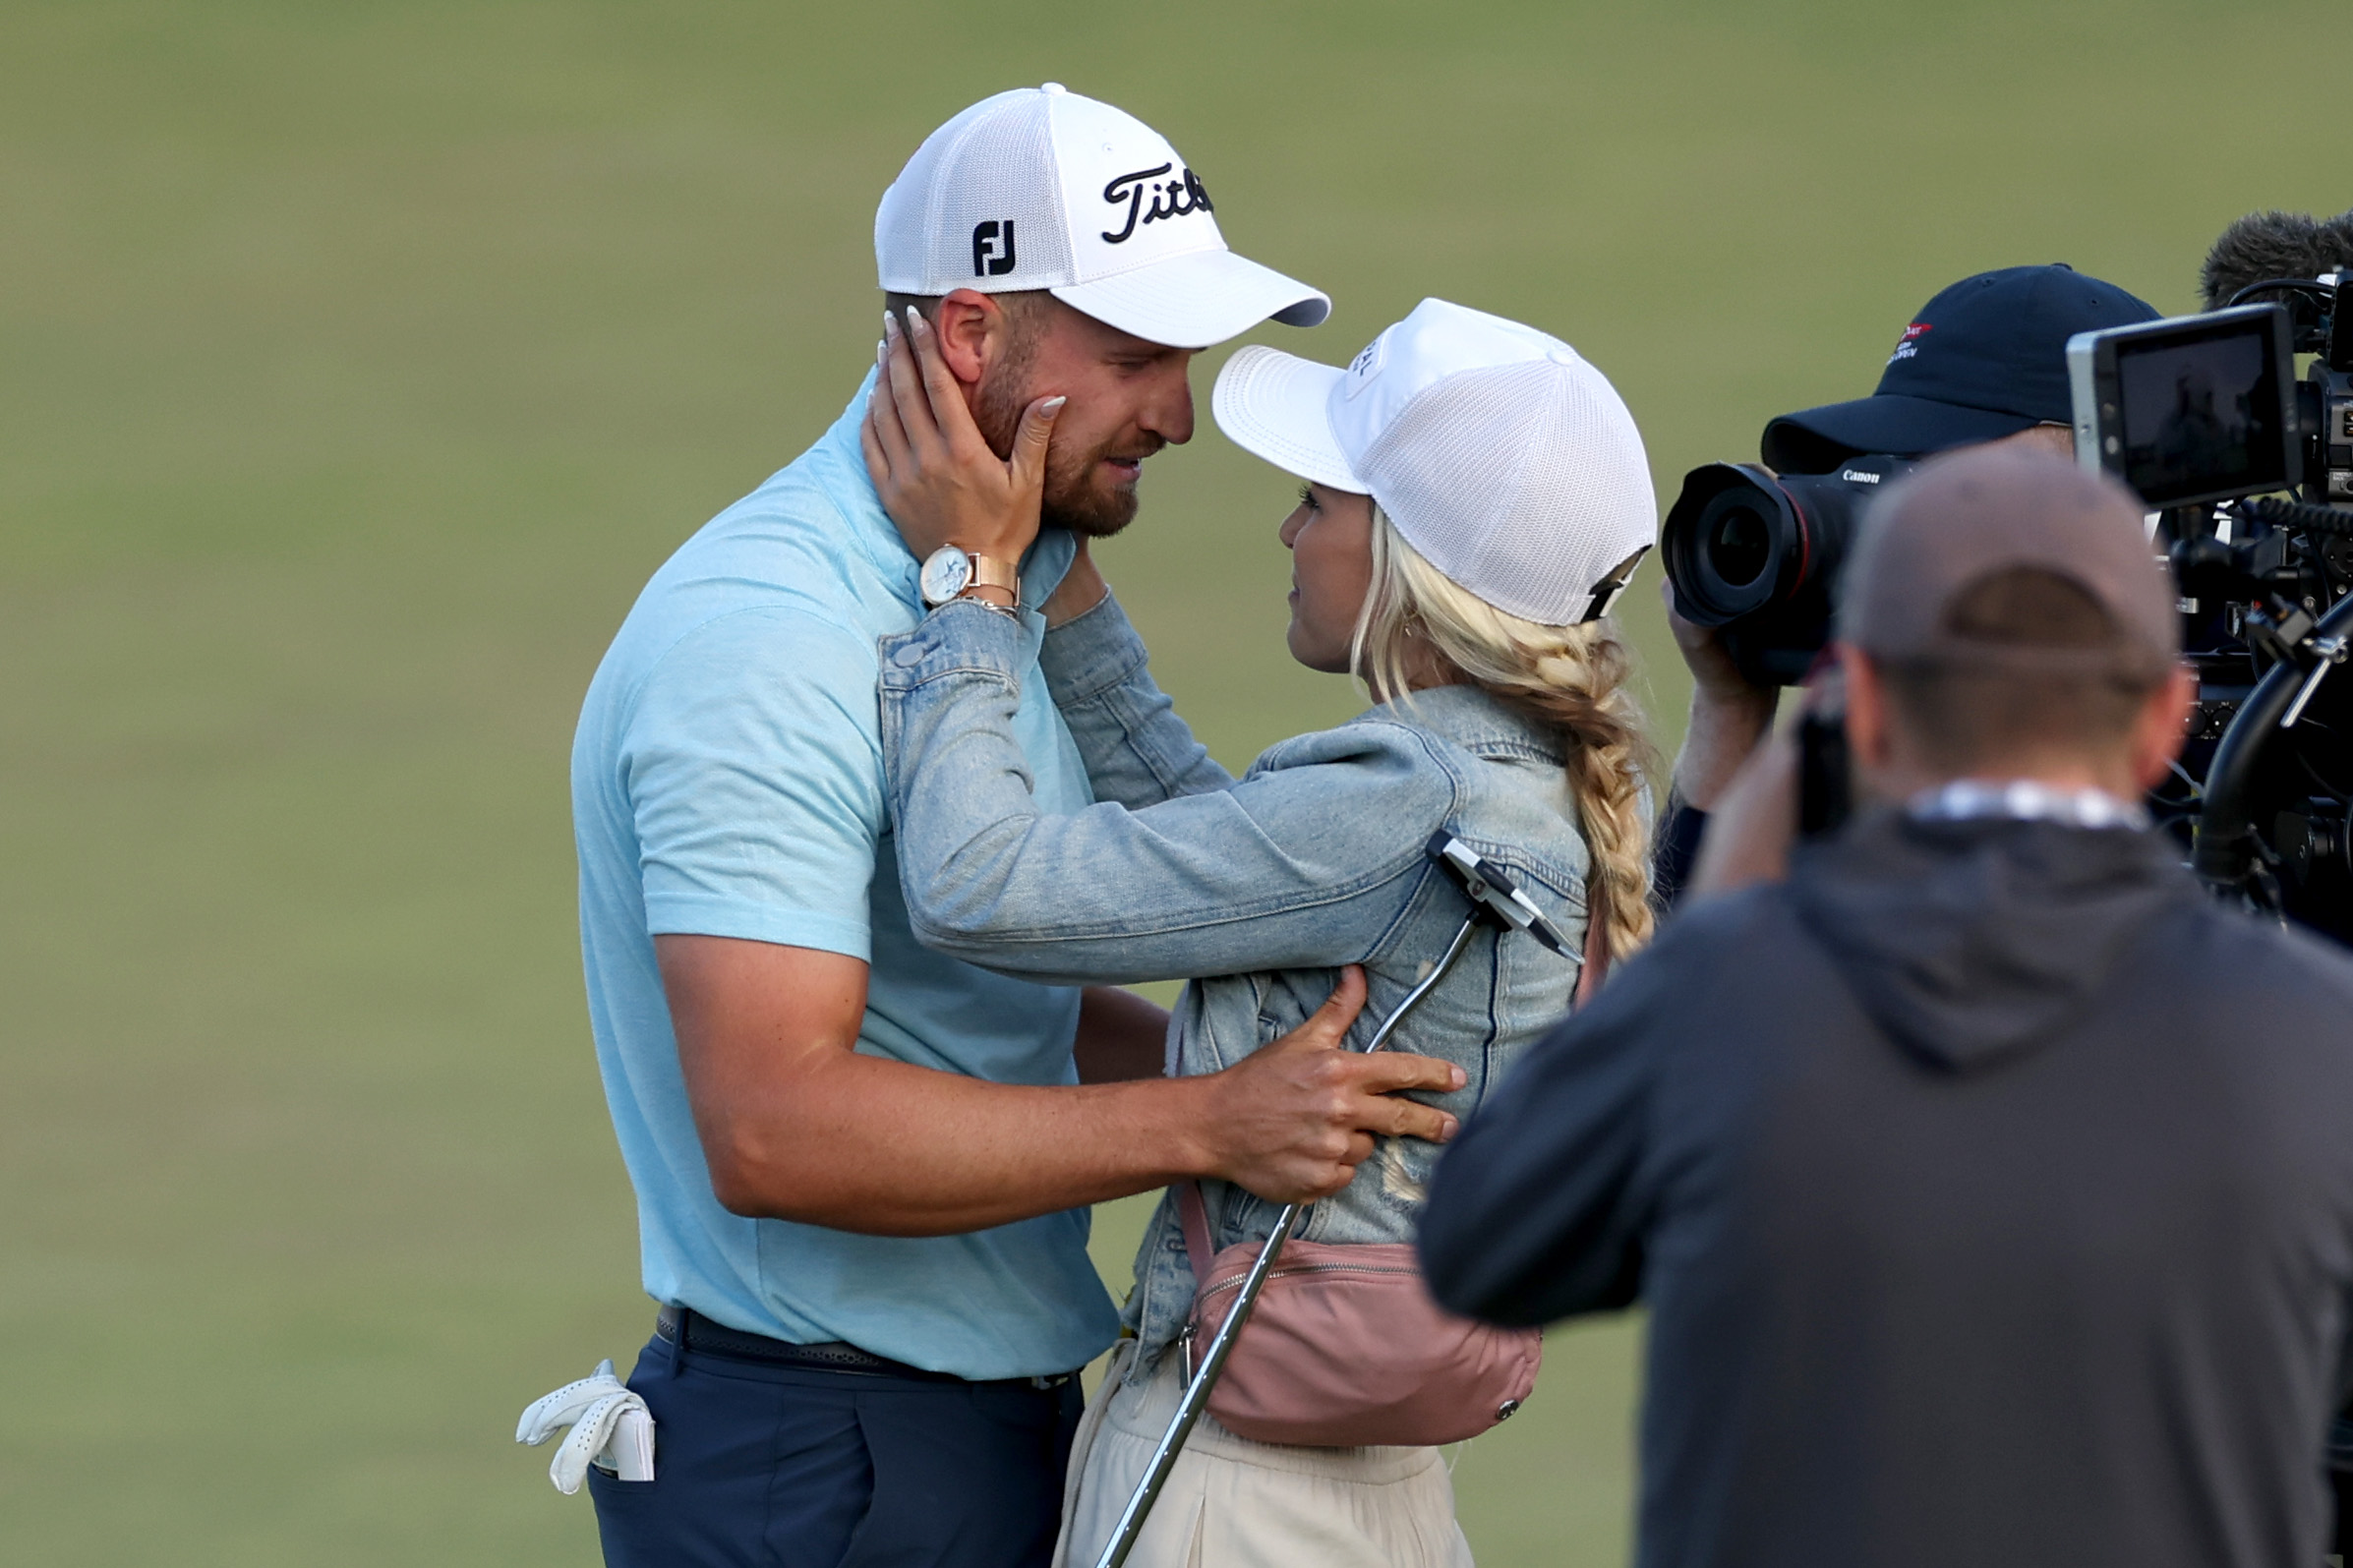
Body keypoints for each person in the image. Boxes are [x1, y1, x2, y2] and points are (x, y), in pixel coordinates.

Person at [562, 85, 1470, 1568]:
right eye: (1134, 357)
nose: (1176, 411)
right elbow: (774, 1126)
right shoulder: (768, 641)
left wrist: (1268, 1076)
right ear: (975, 338)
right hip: (827, 1466)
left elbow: (981, 1021)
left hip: (953, 1441)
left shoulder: (983, 580)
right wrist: (1208, 1120)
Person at [1418, 446, 2353, 1568]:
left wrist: (1726, 903)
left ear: (1856, 710)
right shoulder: (2312, 1033)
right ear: (2164, 718)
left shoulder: (1731, 995)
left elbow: (1479, 1242)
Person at [860, 296, 1661, 1566]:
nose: (1289, 528)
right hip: (1387, 1495)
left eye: (1318, 500)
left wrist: (971, 585)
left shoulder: (1401, 799)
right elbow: (1233, 853)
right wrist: (1062, 577)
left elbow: (974, 882)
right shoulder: (1533, 778)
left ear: (1406, 558)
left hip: (1231, 1496)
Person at [1658, 263, 2160, 902]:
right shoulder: (1891, 723)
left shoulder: (2266, 702)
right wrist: (1729, 707)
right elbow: (1686, 983)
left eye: (1947, 479)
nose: (1910, 525)